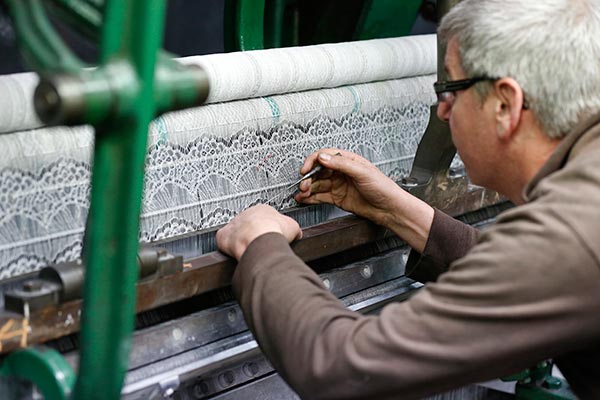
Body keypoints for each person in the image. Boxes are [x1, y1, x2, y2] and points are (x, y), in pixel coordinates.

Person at [215, 0, 600, 398]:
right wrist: (394, 207)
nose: (444, 112)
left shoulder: (574, 229)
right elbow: (532, 276)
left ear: (506, 104)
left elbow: (345, 368)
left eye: (449, 88)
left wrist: (260, 245)